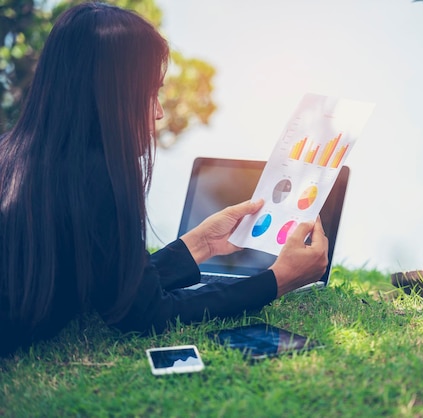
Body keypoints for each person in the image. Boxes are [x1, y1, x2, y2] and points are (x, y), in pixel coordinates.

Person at [0, 2, 328, 356]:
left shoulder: (17, 155)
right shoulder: (95, 175)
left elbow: (116, 287)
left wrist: (200, 244)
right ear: (110, 97)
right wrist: (278, 280)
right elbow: (144, 314)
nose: (157, 113)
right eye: (149, 94)